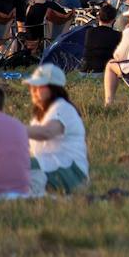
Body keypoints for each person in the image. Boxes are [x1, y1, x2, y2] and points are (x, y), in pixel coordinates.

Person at [24, 63, 90, 192]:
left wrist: (12, 128)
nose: (34, 91)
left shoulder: (62, 108)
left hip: (71, 172)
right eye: (33, 86)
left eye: (40, 87)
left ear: (53, 89)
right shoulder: (39, 116)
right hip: (51, 166)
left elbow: (47, 132)